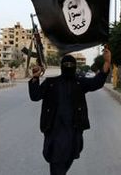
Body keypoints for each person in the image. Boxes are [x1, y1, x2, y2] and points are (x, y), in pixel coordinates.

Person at [28, 46, 111, 175]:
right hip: (54, 131)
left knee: (68, 158)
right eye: (66, 64)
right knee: (56, 164)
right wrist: (35, 78)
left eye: (71, 64)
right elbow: (35, 96)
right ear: (61, 66)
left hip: (73, 130)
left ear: (75, 66)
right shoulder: (51, 83)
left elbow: (97, 82)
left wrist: (107, 62)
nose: (68, 66)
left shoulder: (79, 83)